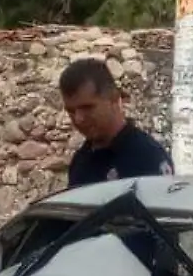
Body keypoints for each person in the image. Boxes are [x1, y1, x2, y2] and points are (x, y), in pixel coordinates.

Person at [60, 57, 173, 187]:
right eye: (71, 111)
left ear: (114, 99)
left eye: (87, 108)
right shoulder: (80, 161)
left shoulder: (147, 157)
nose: (79, 118)